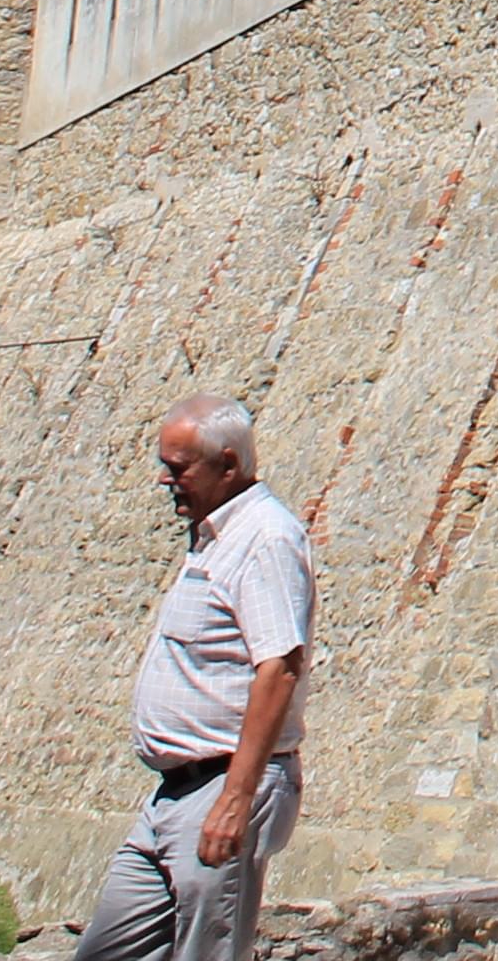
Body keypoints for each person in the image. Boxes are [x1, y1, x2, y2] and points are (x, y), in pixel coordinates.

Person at [80, 394, 316, 961]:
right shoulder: (218, 538)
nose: (166, 480)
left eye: (178, 467)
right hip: (175, 795)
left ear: (228, 465)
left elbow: (279, 668)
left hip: (222, 788)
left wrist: (236, 799)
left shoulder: (265, 538)